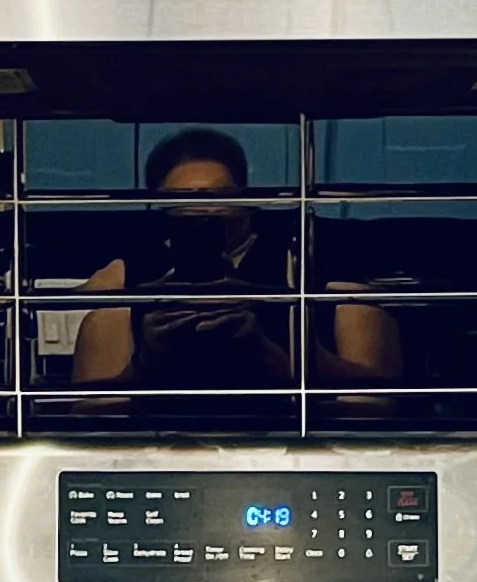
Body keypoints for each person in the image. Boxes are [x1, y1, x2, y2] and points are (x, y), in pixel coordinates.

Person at [71, 128, 401, 391]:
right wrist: (149, 358)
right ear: (159, 205)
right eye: (181, 199)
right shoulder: (126, 278)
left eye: (219, 195)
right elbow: (90, 412)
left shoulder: (314, 264)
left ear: (246, 197)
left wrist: (270, 351)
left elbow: (376, 404)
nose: (204, 209)